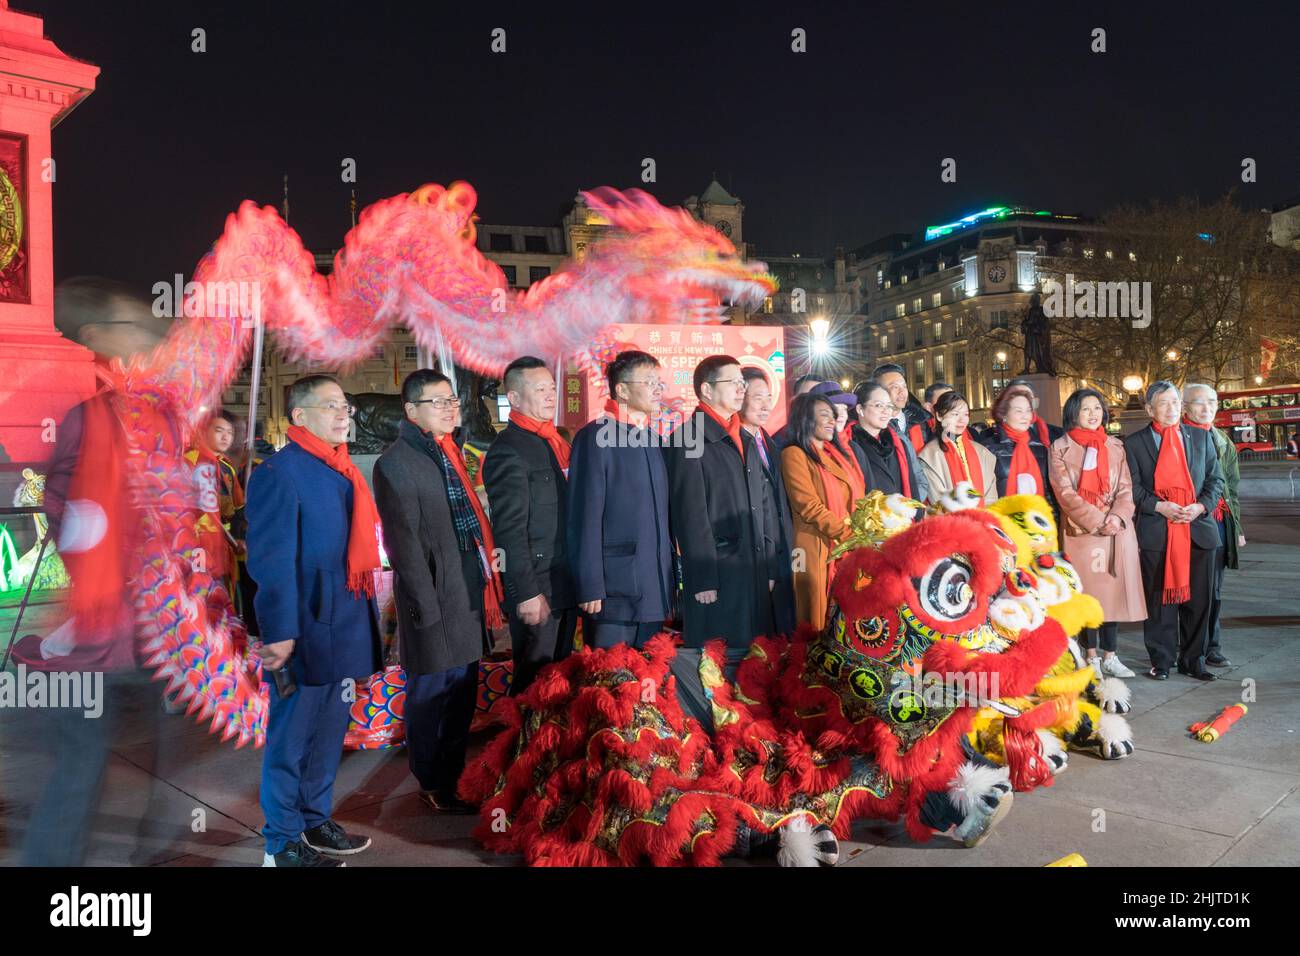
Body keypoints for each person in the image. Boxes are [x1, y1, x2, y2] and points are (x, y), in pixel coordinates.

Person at [18, 278, 173, 866]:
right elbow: (55, 499)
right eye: (130, 326)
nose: (147, 338)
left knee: (157, 765)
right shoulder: (81, 414)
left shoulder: (151, 415)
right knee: (80, 767)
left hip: (153, 628)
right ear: (95, 336)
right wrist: (93, 542)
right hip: (96, 629)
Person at [246, 374, 381, 865]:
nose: (344, 414)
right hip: (301, 628)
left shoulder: (344, 469)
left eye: (345, 406)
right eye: (330, 406)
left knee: (328, 734)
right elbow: (269, 560)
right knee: (290, 739)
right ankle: (280, 843)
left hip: (343, 623)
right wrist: (279, 633)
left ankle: (313, 819)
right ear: (299, 417)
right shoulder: (280, 473)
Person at [666, 354, 785, 727]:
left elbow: (762, 508)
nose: (741, 389)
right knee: (717, 664)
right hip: (717, 574)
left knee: (752, 658)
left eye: (741, 383)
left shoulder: (744, 436)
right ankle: (718, 742)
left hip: (751, 569)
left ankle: (751, 736)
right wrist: (702, 578)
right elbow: (690, 514)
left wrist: (768, 565)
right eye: (732, 383)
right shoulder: (690, 437)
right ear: (705, 389)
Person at [481, 356, 578, 695]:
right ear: (516, 398)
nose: (550, 396)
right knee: (535, 684)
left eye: (552, 388)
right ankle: (522, 747)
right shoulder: (508, 450)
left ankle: (551, 747)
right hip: (538, 587)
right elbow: (508, 529)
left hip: (565, 580)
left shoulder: (555, 443)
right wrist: (525, 592)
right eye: (540, 389)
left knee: (562, 677)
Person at [567, 350, 673, 649]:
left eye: (659, 382)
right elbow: (583, 516)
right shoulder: (596, 437)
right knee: (611, 685)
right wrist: (590, 585)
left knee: (648, 682)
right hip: (614, 592)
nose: (657, 389)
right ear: (622, 389)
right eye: (648, 381)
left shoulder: (653, 439)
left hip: (653, 587)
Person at [1123, 381, 1224, 682]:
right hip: (1157, 532)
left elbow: (1215, 481)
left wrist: (1200, 507)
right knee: (1160, 602)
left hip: (1198, 530)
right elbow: (1134, 488)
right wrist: (1159, 506)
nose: (1171, 409)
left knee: (1200, 602)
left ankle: (1195, 660)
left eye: (1176, 402)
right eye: (1163, 403)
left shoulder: (1199, 437)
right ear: (1149, 408)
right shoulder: (1135, 443)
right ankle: (1162, 660)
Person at [1048, 388, 1144, 677]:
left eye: (1097, 408)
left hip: (1115, 530)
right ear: (1074, 413)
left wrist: (1117, 517)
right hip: (1084, 531)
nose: (1093, 414)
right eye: (1087, 409)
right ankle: (1091, 657)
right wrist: (1098, 520)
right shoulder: (1060, 447)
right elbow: (1064, 493)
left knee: (1112, 596)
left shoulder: (1115, 446)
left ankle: (1111, 655)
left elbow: (1126, 487)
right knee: (1089, 596)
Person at [780, 392, 866, 630]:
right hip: (814, 546)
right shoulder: (794, 454)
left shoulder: (836, 454)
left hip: (844, 545)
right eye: (824, 415)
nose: (832, 420)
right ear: (805, 418)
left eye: (834, 415)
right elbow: (808, 506)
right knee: (815, 620)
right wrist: (849, 535)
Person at [1182, 383, 1244, 668]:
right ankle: (1186, 646)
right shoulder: (1176, 436)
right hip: (1183, 522)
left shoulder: (1223, 440)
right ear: (1185, 407)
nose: (1206, 408)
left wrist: (1238, 529)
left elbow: (1231, 488)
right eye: (1199, 402)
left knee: (1214, 590)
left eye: (1212, 401)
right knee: (1185, 589)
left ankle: (1212, 646)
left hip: (1216, 521)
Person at [739, 367, 798, 633]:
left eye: (768, 397)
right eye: (757, 397)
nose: (766, 405)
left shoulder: (773, 445)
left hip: (783, 554)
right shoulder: (733, 446)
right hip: (754, 561)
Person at [980, 384, 1057, 517]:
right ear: (1003, 414)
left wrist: (1052, 520)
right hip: (1004, 522)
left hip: (1038, 523)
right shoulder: (988, 448)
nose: (1025, 416)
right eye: (1018, 411)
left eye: (1028, 411)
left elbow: (1049, 492)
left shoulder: (1041, 447)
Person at [917, 391, 999, 504]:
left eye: (965, 414)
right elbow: (939, 503)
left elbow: (991, 498)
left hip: (984, 518)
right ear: (939, 416)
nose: (962, 420)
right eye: (955, 414)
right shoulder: (929, 456)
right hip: (951, 520)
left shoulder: (983, 452)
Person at [848, 381, 923, 500]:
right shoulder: (848, 445)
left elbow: (912, 486)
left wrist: (916, 512)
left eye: (888, 406)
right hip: (869, 515)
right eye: (878, 405)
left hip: (902, 514)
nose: (885, 411)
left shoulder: (899, 444)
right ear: (860, 409)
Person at [871, 364, 932, 501]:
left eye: (904, 386)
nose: (902, 392)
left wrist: (914, 506)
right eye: (894, 387)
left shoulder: (923, 423)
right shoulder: (870, 429)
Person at [770, 374, 823, 448]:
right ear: (794, 400)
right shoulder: (781, 441)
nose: (816, 402)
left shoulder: (832, 436)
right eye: (808, 397)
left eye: (822, 397)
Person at [908, 381, 952, 452]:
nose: (951, 405)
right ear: (928, 407)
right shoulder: (917, 431)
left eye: (953, 400)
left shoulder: (960, 430)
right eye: (944, 400)